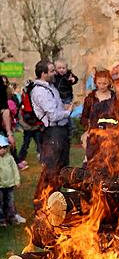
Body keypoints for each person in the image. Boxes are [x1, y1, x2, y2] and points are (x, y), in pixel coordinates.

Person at [30, 60, 73, 210]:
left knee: (60, 170)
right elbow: (53, 115)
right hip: (52, 133)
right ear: (44, 74)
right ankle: (40, 205)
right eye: (52, 71)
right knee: (50, 170)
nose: (55, 73)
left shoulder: (51, 87)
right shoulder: (40, 91)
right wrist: (68, 112)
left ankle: (54, 204)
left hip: (60, 132)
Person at [81, 69, 115, 162]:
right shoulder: (90, 98)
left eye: (104, 83)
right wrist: (86, 130)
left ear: (109, 82)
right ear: (95, 82)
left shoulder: (114, 98)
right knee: (91, 160)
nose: (102, 86)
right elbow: (84, 116)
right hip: (93, 134)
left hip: (109, 134)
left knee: (108, 160)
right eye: (99, 83)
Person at [0, 134, 21, 226]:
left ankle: (11, 217)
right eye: (1, 148)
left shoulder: (10, 158)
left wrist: (17, 181)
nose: (3, 150)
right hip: (0, 185)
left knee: (10, 202)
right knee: (0, 202)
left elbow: (15, 170)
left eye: (4, 147)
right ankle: (2, 219)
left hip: (10, 185)